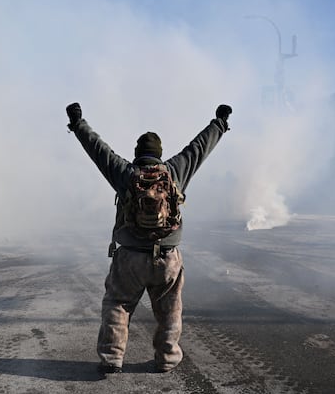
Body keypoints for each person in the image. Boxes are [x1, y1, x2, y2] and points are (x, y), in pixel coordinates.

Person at [66, 101, 231, 374]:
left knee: (118, 304)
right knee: (170, 311)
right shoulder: (175, 171)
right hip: (167, 257)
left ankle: (111, 358)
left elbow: (98, 149)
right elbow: (199, 147)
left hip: (130, 256)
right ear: (160, 154)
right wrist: (220, 123)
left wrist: (78, 123)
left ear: (136, 153)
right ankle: (166, 359)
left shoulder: (125, 173)